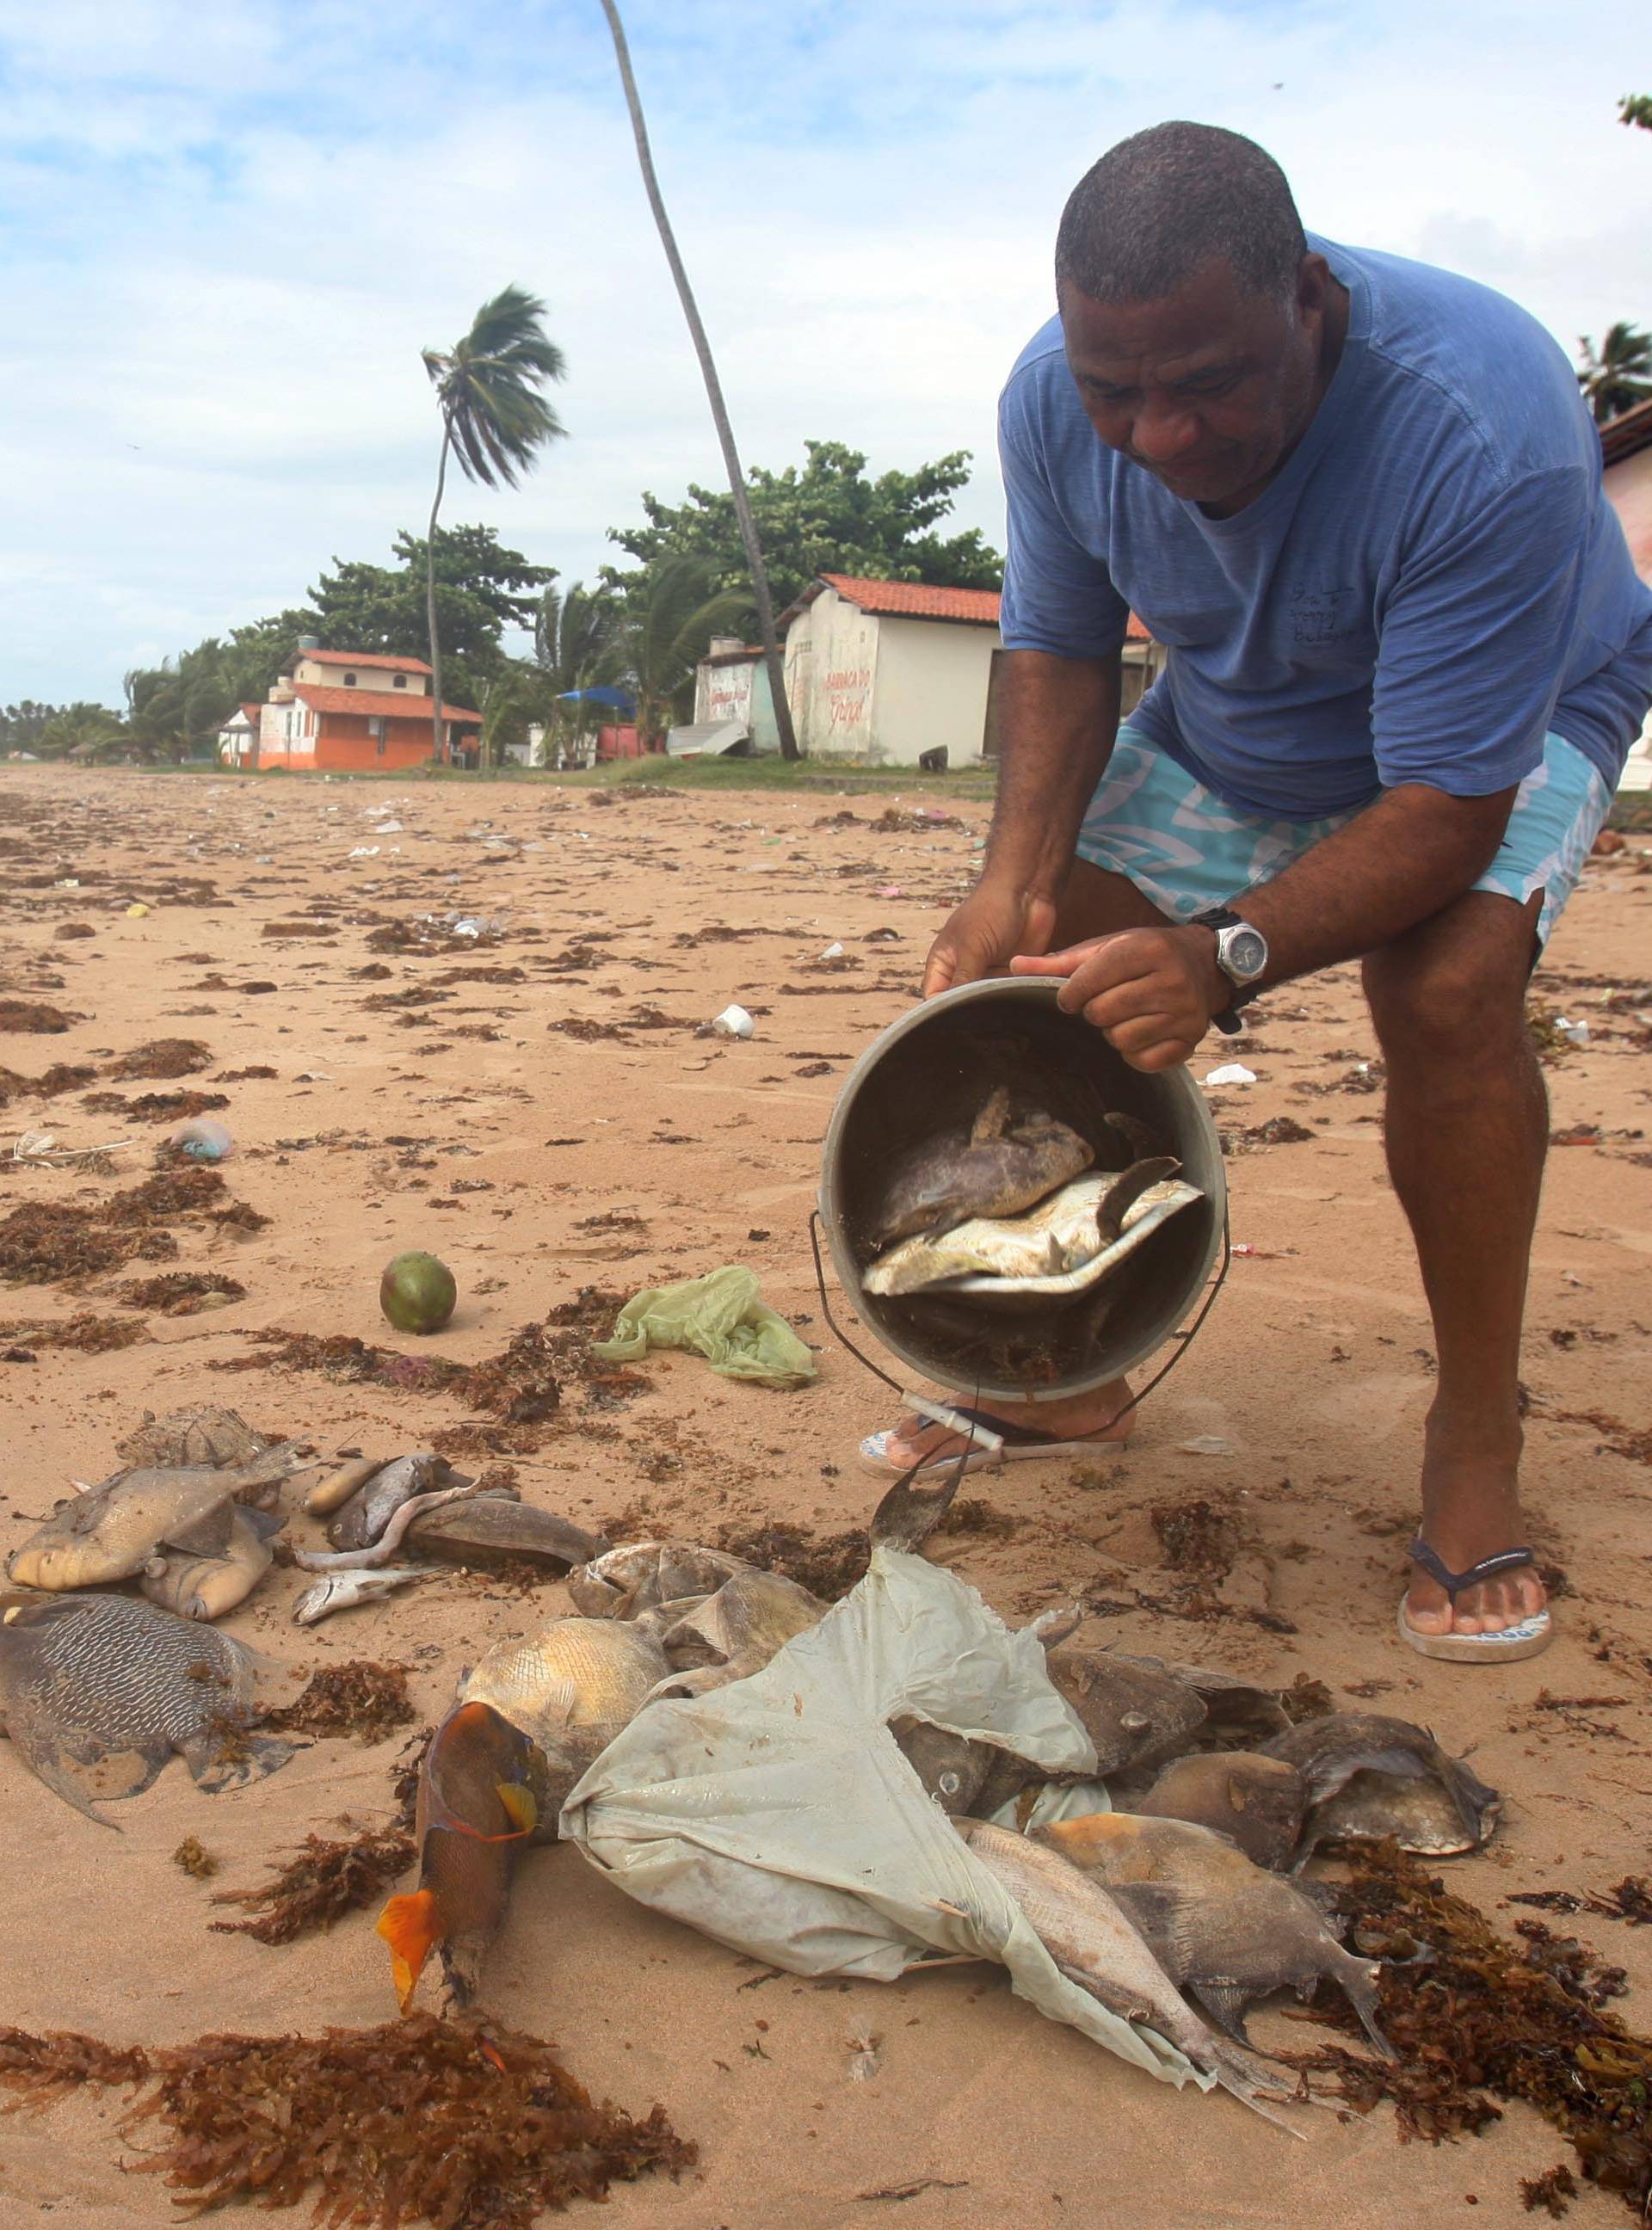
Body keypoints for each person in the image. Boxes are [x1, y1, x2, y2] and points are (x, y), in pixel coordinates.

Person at [860, 121, 1652, 1665]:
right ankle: (1072, 1354)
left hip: (1516, 715)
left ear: (1306, 296)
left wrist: (1229, 952)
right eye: (1118, 393)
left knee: (1444, 989)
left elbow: (1442, 805)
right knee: (1048, 946)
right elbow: (1061, 650)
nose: (1156, 436)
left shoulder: (1478, 425)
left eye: (1206, 383)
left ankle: (1474, 1439)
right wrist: (1005, 884)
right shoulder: (1051, 395)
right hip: (1248, 709)